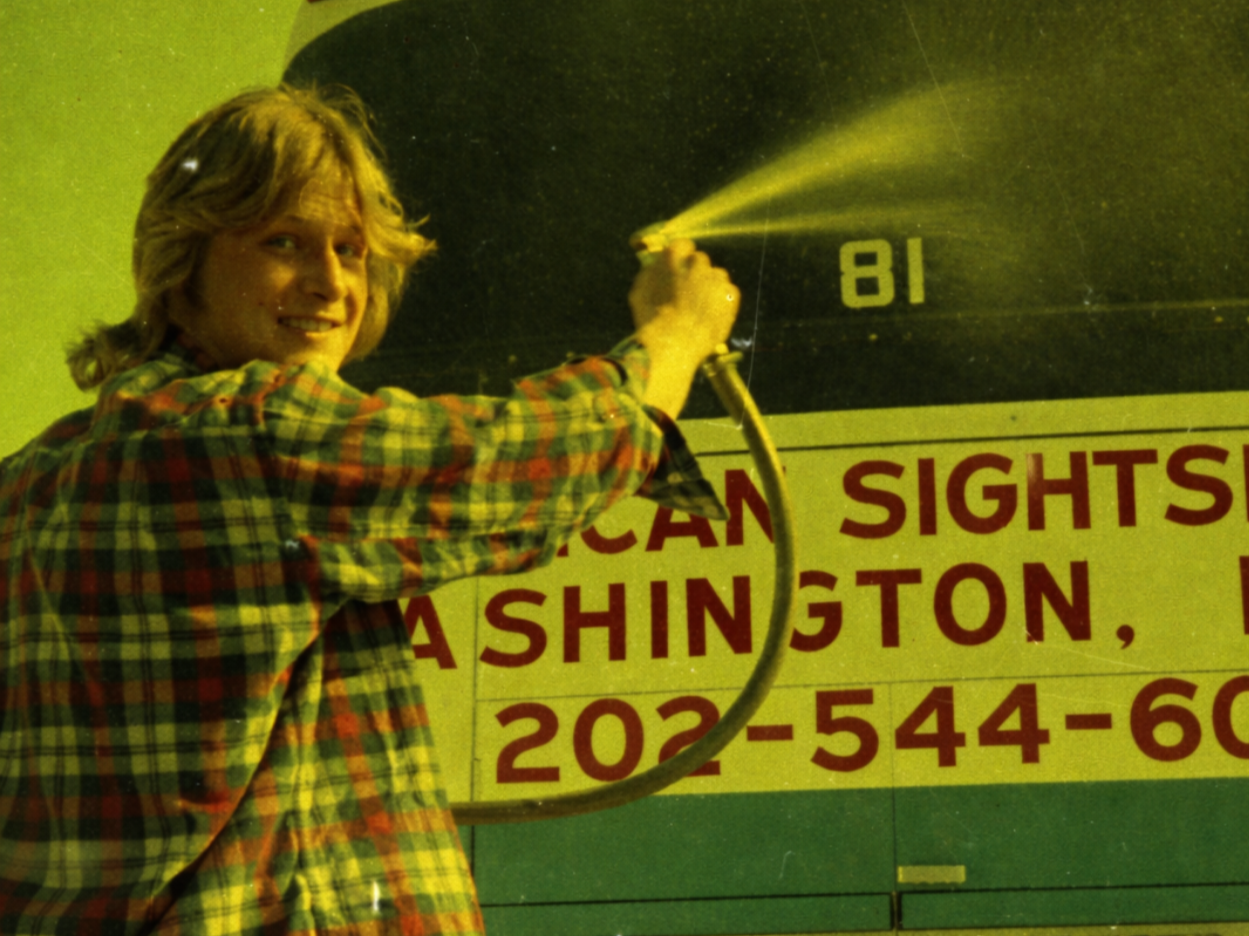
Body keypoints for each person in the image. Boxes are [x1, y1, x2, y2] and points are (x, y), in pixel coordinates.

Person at [0, 85, 738, 934]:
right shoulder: (254, 430)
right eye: (284, 241)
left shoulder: (29, 479)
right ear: (182, 261)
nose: (330, 283)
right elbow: (529, 457)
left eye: (351, 250)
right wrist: (674, 335)